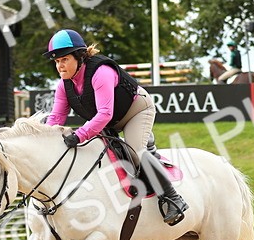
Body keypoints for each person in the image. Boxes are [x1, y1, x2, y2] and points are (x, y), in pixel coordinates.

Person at [44, 29, 187, 225]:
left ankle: (173, 198)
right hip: (109, 121)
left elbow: (104, 113)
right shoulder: (63, 85)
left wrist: (79, 135)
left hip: (136, 111)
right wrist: (44, 138)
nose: (60, 66)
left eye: (64, 59)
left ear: (79, 56)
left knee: (136, 150)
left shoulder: (100, 72)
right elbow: (57, 116)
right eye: (57, 61)